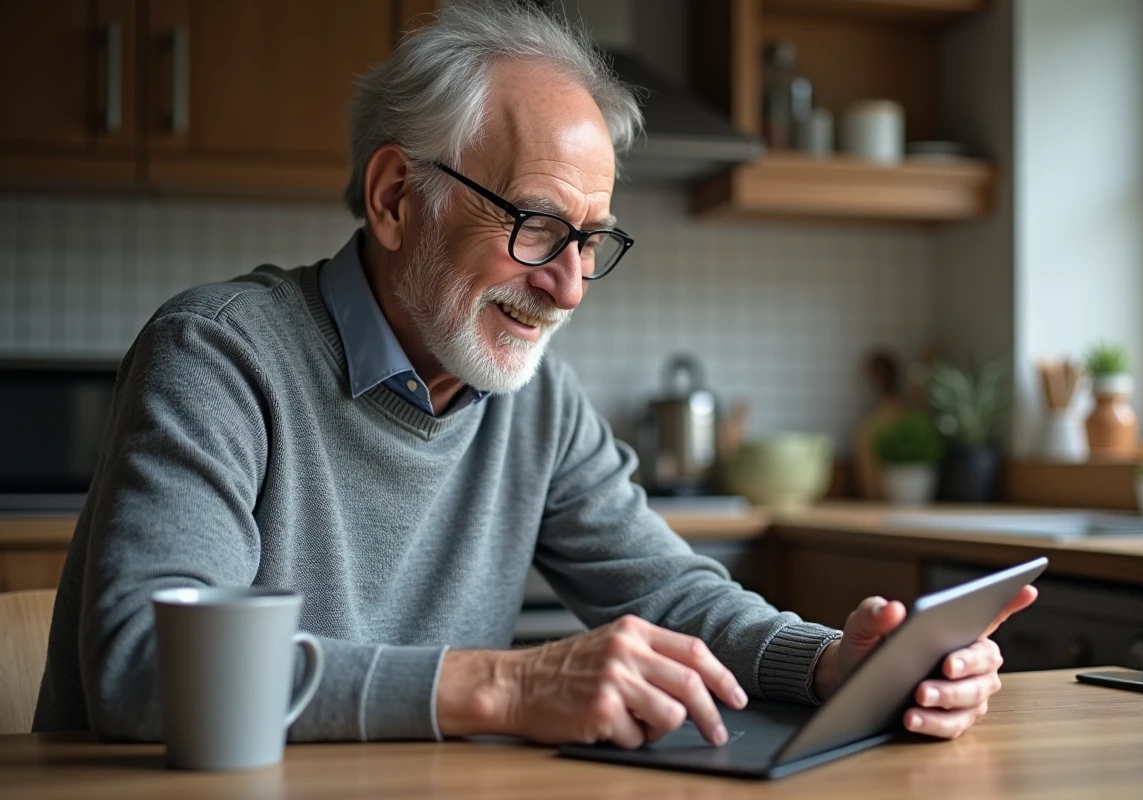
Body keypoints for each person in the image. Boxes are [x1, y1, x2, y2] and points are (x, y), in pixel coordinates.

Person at [33, 4, 1035, 748]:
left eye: (591, 240)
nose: (568, 286)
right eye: (536, 227)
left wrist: (828, 661)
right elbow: (143, 666)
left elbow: (670, 591)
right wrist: (505, 686)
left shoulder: (534, 400)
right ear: (395, 198)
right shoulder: (217, 353)